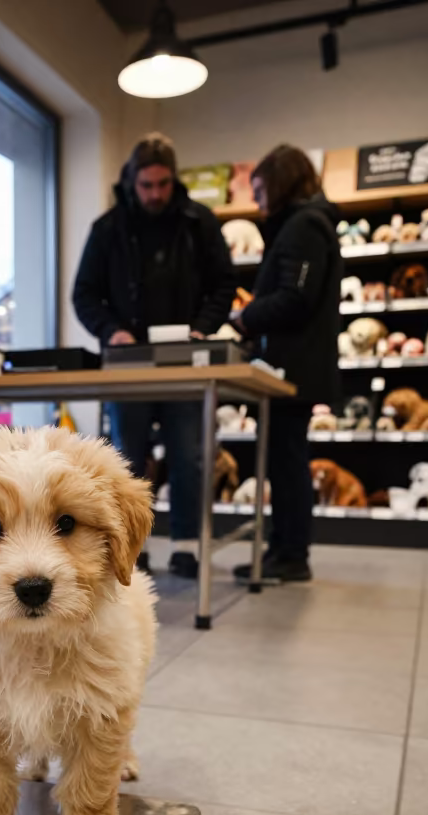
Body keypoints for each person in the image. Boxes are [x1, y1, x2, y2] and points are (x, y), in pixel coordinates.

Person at [73, 132, 235, 578]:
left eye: (163, 184)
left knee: (189, 456)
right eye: (147, 186)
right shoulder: (107, 229)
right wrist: (111, 331)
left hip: (187, 364)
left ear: (173, 180)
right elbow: (84, 293)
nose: (156, 194)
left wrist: (204, 325)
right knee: (127, 460)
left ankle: (185, 545)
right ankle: (130, 547)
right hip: (130, 367)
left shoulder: (199, 222)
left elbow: (224, 283)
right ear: (131, 181)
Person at [232, 145, 341, 583]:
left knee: (286, 462)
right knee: (285, 460)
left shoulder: (303, 226)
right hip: (297, 367)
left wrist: (246, 316)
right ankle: (284, 549)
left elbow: (296, 297)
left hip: (292, 371)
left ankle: (291, 553)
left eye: (260, 189)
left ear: (279, 182)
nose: (257, 200)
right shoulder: (309, 224)